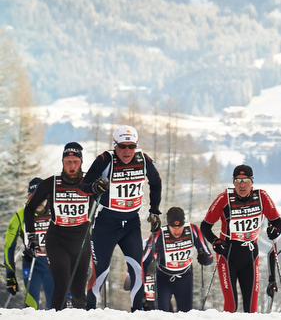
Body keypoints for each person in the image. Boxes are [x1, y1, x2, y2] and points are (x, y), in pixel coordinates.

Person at [80, 124, 163, 310]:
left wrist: (154, 211)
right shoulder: (105, 159)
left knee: (137, 269)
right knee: (100, 272)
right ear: (114, 145)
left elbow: (156, 182)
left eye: (131, 146)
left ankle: (137, 312)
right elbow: (83, 186)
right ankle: (90, 312)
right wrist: (94, 187)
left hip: (131, 224)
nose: (127, 151)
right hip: (105, 224)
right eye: (123, 146)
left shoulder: (143, 159)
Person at [200, 165, 281, 313]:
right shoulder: (224, 198)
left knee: (251, 307)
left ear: (252, 182)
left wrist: (274, 231)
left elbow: (277, 222)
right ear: (233, 183)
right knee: (231, 306)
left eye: (245, 180)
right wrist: (215, 242)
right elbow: (205, 226)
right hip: (227, 254)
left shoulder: (262, 196)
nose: (242, 185)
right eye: (238, 181)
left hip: (250, 254)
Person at [24, 142, 93, 310]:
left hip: (81, 241)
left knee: (78, 293)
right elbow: (30, 208)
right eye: (68, 161)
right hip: (57, 240)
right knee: (62, 285)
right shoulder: (52, 183)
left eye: (75, 162)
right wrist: (31, 237)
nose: (72, 166)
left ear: (81, 163)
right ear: (62, 162)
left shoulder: (89, 183)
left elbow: (102, 207)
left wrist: (102, 190)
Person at [141, 206, 213, 312]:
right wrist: (143, 285)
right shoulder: (159, 233)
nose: (177, 231)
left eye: (180, 226)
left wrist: (205, 258)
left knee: (185, 314)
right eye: (173, 227)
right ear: (168, 225)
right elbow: (144, 260)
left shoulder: (193, 230)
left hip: (185, 278)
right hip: (163, 280)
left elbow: (210, 257)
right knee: (162, 314)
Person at [5, 178, 54, 309]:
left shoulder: (55, 211)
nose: (37, 201)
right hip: (32, 264)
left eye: (41, 196)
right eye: (33, 197)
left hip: (53, 265)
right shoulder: (20, 215)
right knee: (31, 307)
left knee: (56, 308)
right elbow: (9, 246)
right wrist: (10, 275)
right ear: (28, 197)